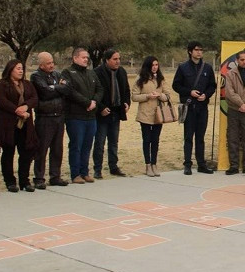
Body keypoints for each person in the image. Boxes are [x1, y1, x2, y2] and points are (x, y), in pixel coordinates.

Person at [0, 60, 39, 193]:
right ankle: (10, 181)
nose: (21, 71)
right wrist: (17, 110)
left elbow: (34, 98)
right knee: (8, 152)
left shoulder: (27, 84)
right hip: (7, 124)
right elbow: (1, 100)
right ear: (10, 69)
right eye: (18, 68)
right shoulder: (2, 84)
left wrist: (26, 107)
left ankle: (24, 181)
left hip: (25, 124)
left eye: (22, 68)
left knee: (26, 152)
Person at [172, 41, 217, 175]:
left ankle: (201, 164)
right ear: (190, 51)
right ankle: (187, 164)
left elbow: (212, 85)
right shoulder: (183, 67)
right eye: (197, 50)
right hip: (189, 106)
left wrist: (206, 95)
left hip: (202, 107)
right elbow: (176, 85)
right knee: (188, 137)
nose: (199, 52)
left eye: (201, 50)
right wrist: (189, 92)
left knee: (200, 137)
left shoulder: (207, 68)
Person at [61, 48, 103, 184]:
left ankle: (85, 172)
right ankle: (75, 174)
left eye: (87, 57)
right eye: (83, 57)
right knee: (76, 145)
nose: (86, 59)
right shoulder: (68, 73)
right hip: (75, 116)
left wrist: (94, 101)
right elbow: (70, 91)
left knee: (87, 145)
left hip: (91, 117)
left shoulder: (91, 73)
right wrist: (86, 102)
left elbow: (100, 89)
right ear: (75, 58)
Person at [30, 52, 69, 188]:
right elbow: (45, 93)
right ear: (41, 65)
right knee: (42, 148)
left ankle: (55, 176)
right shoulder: (36, 76)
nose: (51, 65)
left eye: (52, 62)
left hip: (59, 116)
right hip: (45, 117)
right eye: (48, 63)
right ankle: (39, 177)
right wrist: (56, 88)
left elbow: (66, 88)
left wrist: (55, 88)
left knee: (57, 148)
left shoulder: (57, 75)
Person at [131, 56, 171, 177]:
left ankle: (154, 164)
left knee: (155, 140)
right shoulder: (140, 79)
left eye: (157, 65)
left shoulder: (161, 79)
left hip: (158, 114)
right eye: (153, 65)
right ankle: (147, 164)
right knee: (146, 140)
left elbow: (168, 95)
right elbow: (134, 96)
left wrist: (159, 95)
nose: (155, 67)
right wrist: (148, 96)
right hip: (145, 114)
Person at [93, 49, 130, 179]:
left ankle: (113, 166)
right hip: (103, 113)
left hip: (116, 112)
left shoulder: (121, 72)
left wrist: (126, 103)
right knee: (100, 142)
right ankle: (97, 169)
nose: (118, 61)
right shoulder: (97, 73)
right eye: (114, 59)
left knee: (113, 142)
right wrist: (101, 108)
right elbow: (95, 93)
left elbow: (126, 90)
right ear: (107, 60)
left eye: (119, 58)